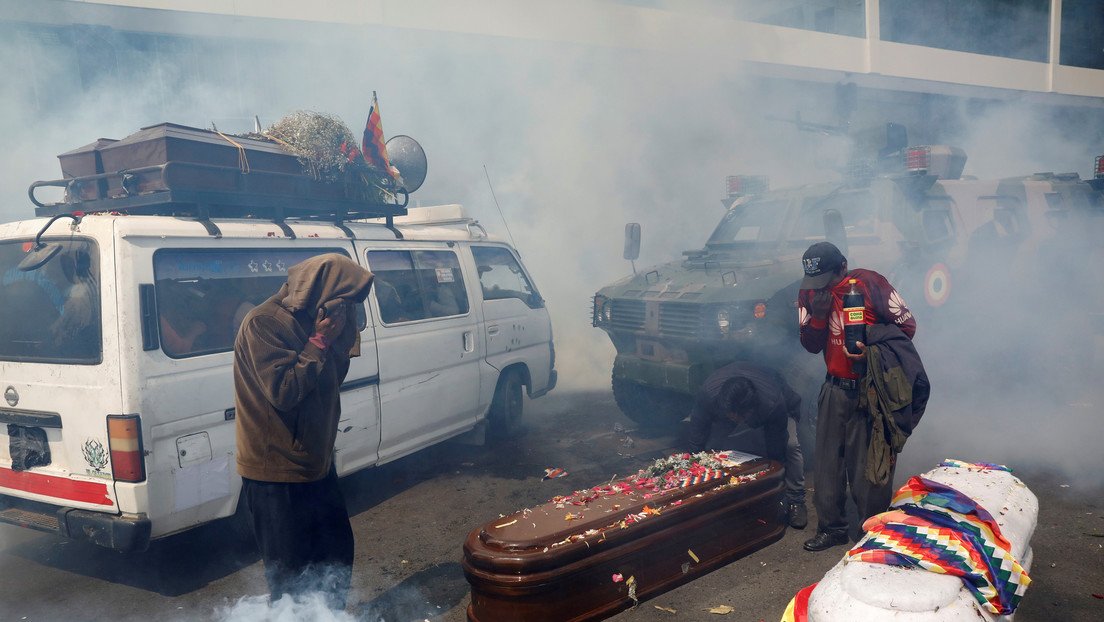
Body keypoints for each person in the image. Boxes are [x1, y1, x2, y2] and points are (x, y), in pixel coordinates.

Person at [233, 253, 373, 609]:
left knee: (336, 555)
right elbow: (284, 392)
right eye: (343, 302)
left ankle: (331, 616)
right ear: (318, 292)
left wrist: (340, 337)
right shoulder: (264, 323)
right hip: (276, 472)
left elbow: (330, 380)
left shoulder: (317, 320)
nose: (345, 310)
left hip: (315, 463)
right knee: (291, 575)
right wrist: (319, 341)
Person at [797, 241, 918, 552]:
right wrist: (819, 316)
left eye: (828, 279)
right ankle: (831, 528)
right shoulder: (810, 293)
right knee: (827, 465)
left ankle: (872, 533)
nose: (822, 287)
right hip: (834, 388)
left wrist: (871, 345)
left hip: (870, 390)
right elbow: (810, 345)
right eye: (816, 281)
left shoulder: (869, 284)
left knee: (869, 469)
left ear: (843, 266)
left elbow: (907, 327)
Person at [687, 361, 808, 529]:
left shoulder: (772, 404)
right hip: (729, 409)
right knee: (713, 447)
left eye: (738, 417)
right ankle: (719, 497)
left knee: (791, 446)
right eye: (731, 415)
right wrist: (695, 465)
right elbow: (698, 429)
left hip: (781, 408)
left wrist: (776, 486)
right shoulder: (709, 395)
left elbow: (776, 448)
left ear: (749, 409)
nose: (735, 419)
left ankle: (796, 499)